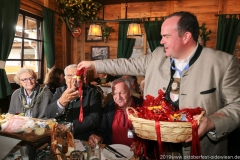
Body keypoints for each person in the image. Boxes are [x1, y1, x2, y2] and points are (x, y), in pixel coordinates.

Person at [78, 11, 240, 157]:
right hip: (158, 150)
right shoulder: (157, 56)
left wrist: (211, 122)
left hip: (200, 151)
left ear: (186, 37)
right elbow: (126, 64)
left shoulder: (223, 64)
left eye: (166, 36)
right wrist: (94, 65)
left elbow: (236, 106)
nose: (161, 41)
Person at [45, 64, 102, 141]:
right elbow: (49, 114)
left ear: (82, 78)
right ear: (65, 78)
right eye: (69, 76)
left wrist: (68, 128)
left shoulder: (93, 93)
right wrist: (61, 102)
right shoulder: (59, 91)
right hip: (58, 138)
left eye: (77, 75)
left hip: (81, 137)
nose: (74, 79)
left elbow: (94, 119)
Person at [88, 78, 142, 147]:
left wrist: (142, 145)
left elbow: (151, 135)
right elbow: (103, 131)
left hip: (136, 155)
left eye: (122, 93)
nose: (118, 97)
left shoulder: (141, 107)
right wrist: (99, 138)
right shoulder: (109, 108)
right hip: (114, 152)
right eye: (115, 93)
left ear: (130, 92)